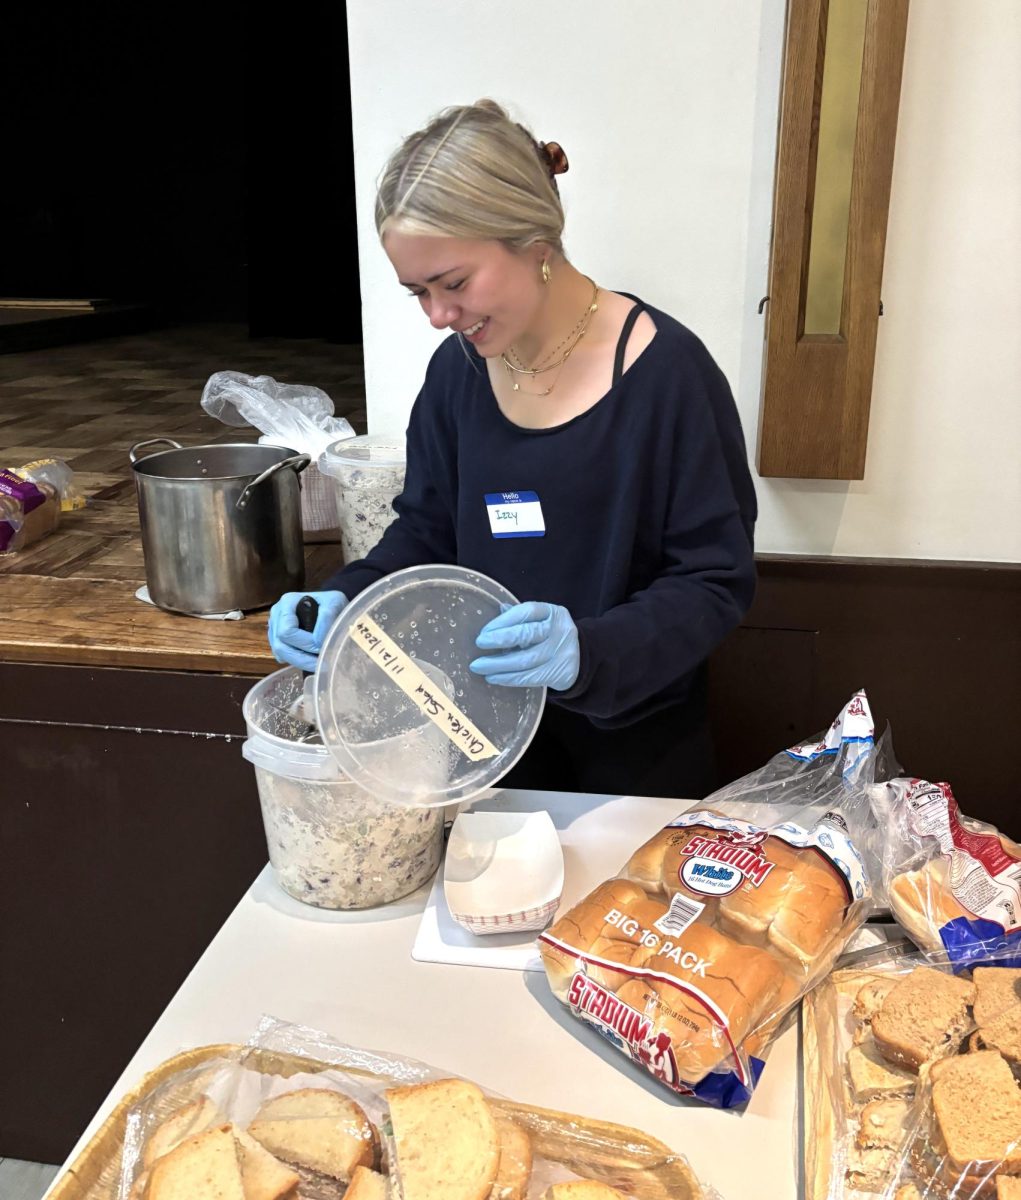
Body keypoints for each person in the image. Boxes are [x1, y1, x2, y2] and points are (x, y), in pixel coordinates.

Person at [268, 99, 756, 800]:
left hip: (635, 747)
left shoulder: (667, 375)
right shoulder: (456, 375)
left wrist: (587, 652)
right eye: (418, 293)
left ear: (535, 242)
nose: (438, 316)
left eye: (454, 284)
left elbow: (713, 579)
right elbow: (427, 531)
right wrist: (345, 599)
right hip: (481, 736)